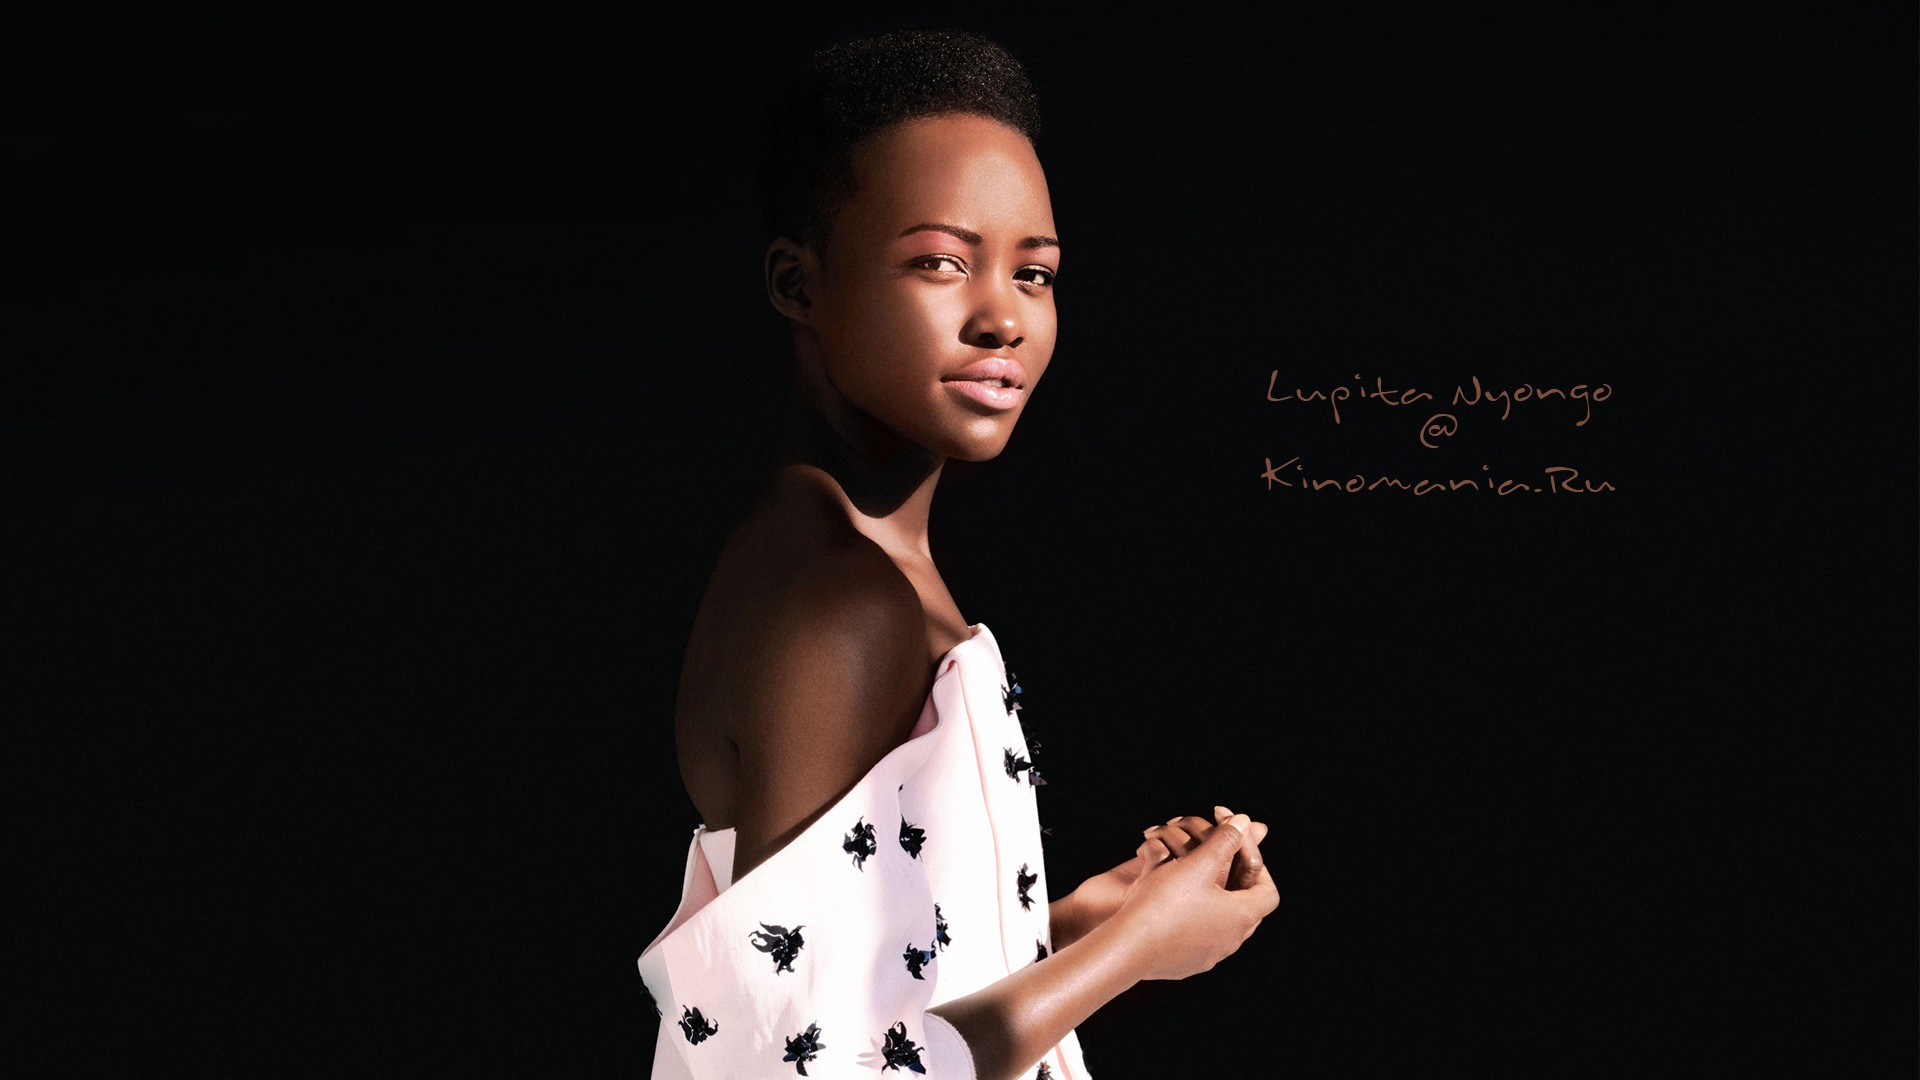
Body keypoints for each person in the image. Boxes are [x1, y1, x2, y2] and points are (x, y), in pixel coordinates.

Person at [637, 30, 1279, 1080]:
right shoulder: (839, 604)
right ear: (799, 283)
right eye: (940, 262)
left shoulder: (860, 566)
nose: (1002, 319)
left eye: (1035, 273)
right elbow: (817, 1068)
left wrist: (1066, 924)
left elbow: (869, 994)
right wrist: (1135, 950)